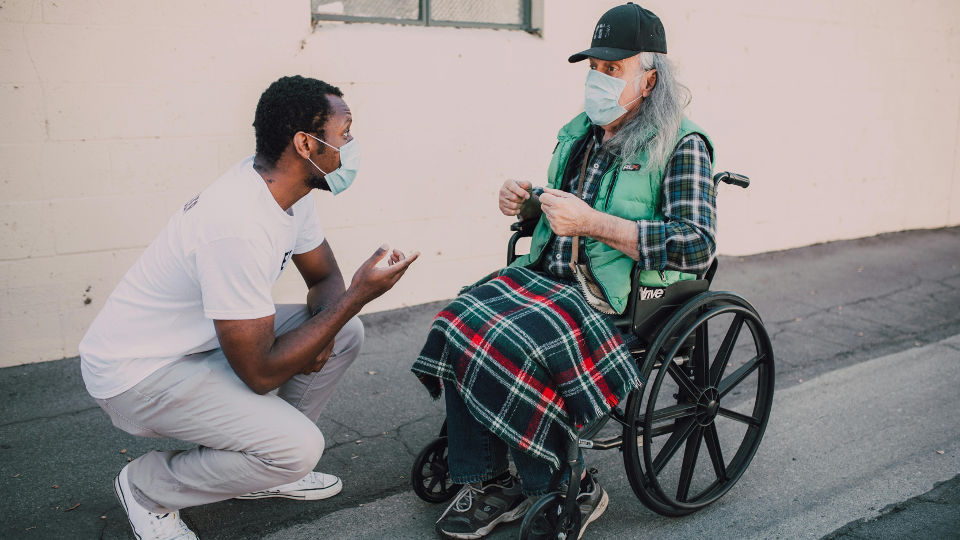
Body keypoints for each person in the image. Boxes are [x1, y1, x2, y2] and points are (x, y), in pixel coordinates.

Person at [412, 4, 717, 539]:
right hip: (543, 274)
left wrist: (597, 224)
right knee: (458, 320)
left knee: (519, 344)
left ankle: (564, 484)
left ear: (648, 80)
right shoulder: (581, 131)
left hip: (608, 294)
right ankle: (488, 477)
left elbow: (695, 245)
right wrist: (528, 203)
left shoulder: (682, 144)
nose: (597, 81)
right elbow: (564, 208)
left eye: (612, 70)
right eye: (593, 68)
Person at [79, 75, 419, 540]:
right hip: (137, 374)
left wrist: (327, 323)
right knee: (299, 448)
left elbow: (324, 278)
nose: (351, 144)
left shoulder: (287, 193)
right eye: (345, 132)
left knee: (342, 333)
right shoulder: (236, 223)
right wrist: (357, 297)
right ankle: (148, 488)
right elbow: (259, 373)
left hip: (199, 343)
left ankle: (261, 467)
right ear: (305, 143)